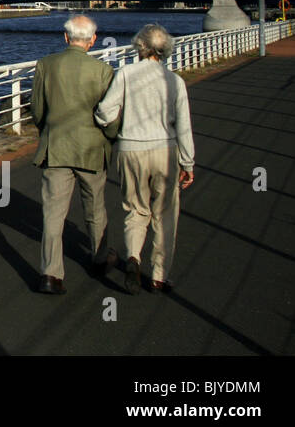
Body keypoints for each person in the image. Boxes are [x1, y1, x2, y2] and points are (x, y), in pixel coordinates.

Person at [95, 24, 194, 295]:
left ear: (140, 46)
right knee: (165, 213)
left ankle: (134, 258)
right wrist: (188, 163)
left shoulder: (126, 73)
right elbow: (184, 126)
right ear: (165, 49)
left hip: (131, 150)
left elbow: (105, 111)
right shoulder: (175, 81)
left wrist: (110, 125)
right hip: (165, 149)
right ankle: (159, 276)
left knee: (135, 209)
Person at [29, 15, 119, 294]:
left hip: (55, 147)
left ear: (65, 37)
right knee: (94, 208)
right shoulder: (103, 70)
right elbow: (111, 115)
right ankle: (100, 258)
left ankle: (50, 275)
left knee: (53, 213)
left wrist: (48, 131)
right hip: (92, 149)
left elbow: (37, 109)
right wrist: (110, 137)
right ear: (93, 39)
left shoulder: (46, 65)